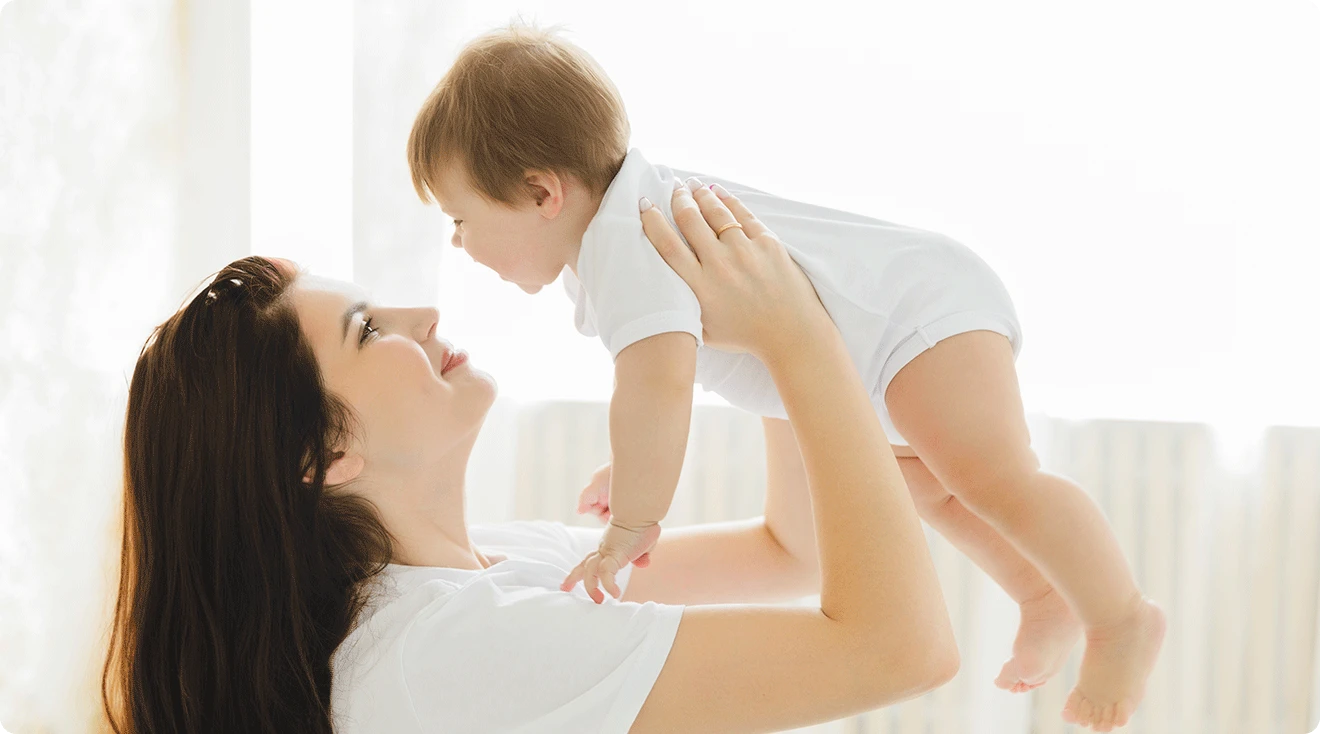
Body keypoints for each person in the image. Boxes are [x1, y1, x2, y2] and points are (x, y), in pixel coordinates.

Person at [405, 21, 1165, 730]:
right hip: (895, 331)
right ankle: (1042, 590)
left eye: (460, 219)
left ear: (543, 193)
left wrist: (632, 524)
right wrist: (631, 462)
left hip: (915, 318)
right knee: (931, 486)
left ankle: (1121, 617)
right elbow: (662, 377)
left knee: (995, 478)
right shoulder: (621, 235)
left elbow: (655, 388)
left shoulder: (624, 244)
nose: (460, 244)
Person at [101, 182, 957, 732]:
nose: (422, 316)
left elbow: (788, 555)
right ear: (324, 451)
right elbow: (901, 652)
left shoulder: (495, 571)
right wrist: (800, 339)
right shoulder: (444, 649)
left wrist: (753, 335)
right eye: (367, 330)